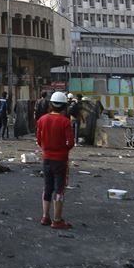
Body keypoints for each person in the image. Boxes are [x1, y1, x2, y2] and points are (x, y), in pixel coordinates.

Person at [36, 91, 75, 230]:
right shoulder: (65, 122)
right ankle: (57, 220)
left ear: (51, 104)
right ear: (64, 106)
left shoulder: (42, 120)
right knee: (59, 189)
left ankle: (45, 217)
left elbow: (39, 140)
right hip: (60, 160)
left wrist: (47, 149)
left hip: (46, 158)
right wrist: (62, 149)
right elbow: (71, 143)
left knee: (47, 187)